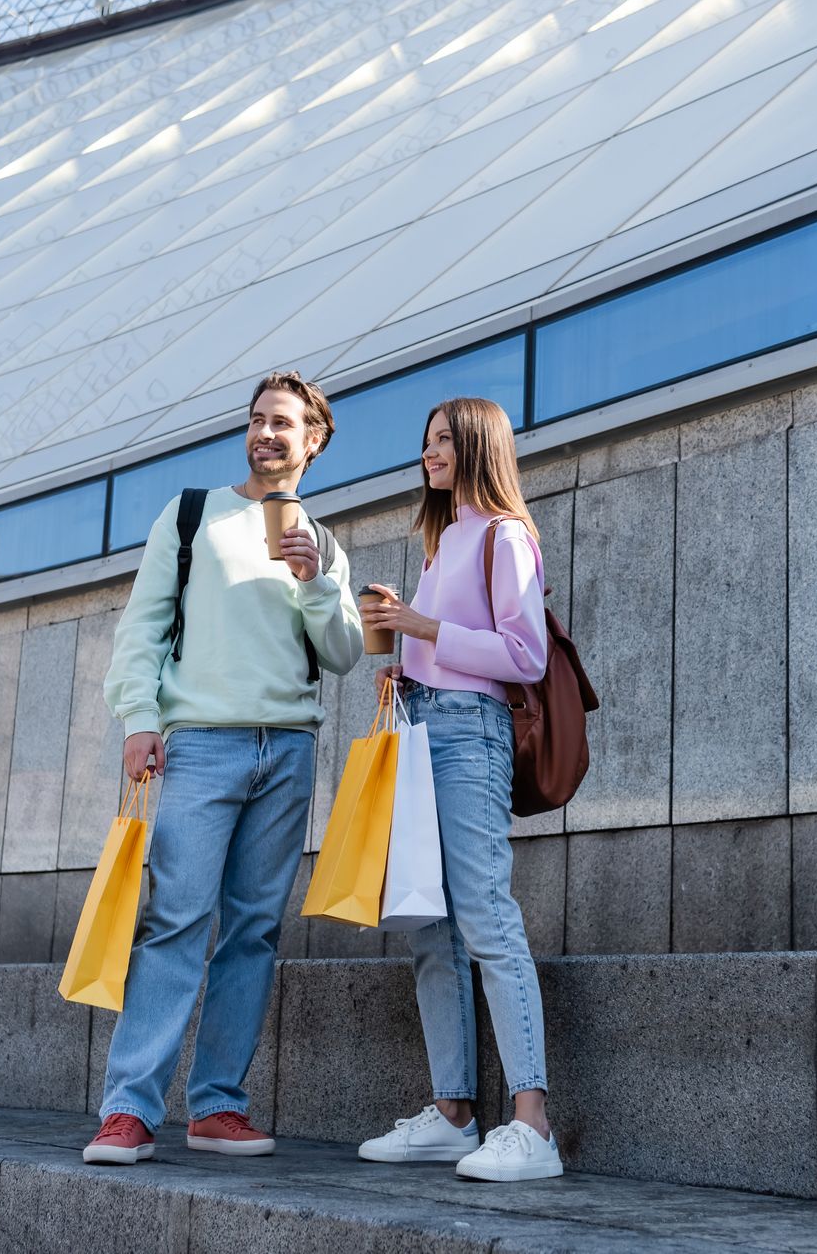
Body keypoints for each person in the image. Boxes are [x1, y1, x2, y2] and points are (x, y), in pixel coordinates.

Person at [84, 371, 364, 1165]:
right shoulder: (193, 516)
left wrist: (314, 580)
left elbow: (343, 653)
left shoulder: (323, 542)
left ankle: (215, 1105)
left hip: (289, 750)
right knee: (175, 918)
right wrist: (140, 719)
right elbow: (140, 629)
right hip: (201, 744)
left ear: (313, 441)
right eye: (256, 420)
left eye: (283, 423)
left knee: (253, 932)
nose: (265, 433)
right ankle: (129, 1108)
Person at [355, 396, 561, 1183]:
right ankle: (451, 1114)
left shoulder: (505, 535)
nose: (429, 453)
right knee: (427, 923)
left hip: (473, 732)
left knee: (483, 914)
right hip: (424, 724)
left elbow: (525, 654)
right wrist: (405, 657)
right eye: (426, 441)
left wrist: (425, 628)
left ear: (477, 445)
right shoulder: (443, 541)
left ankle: (533, 1124)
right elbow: (443, 644)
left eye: (443, 441)